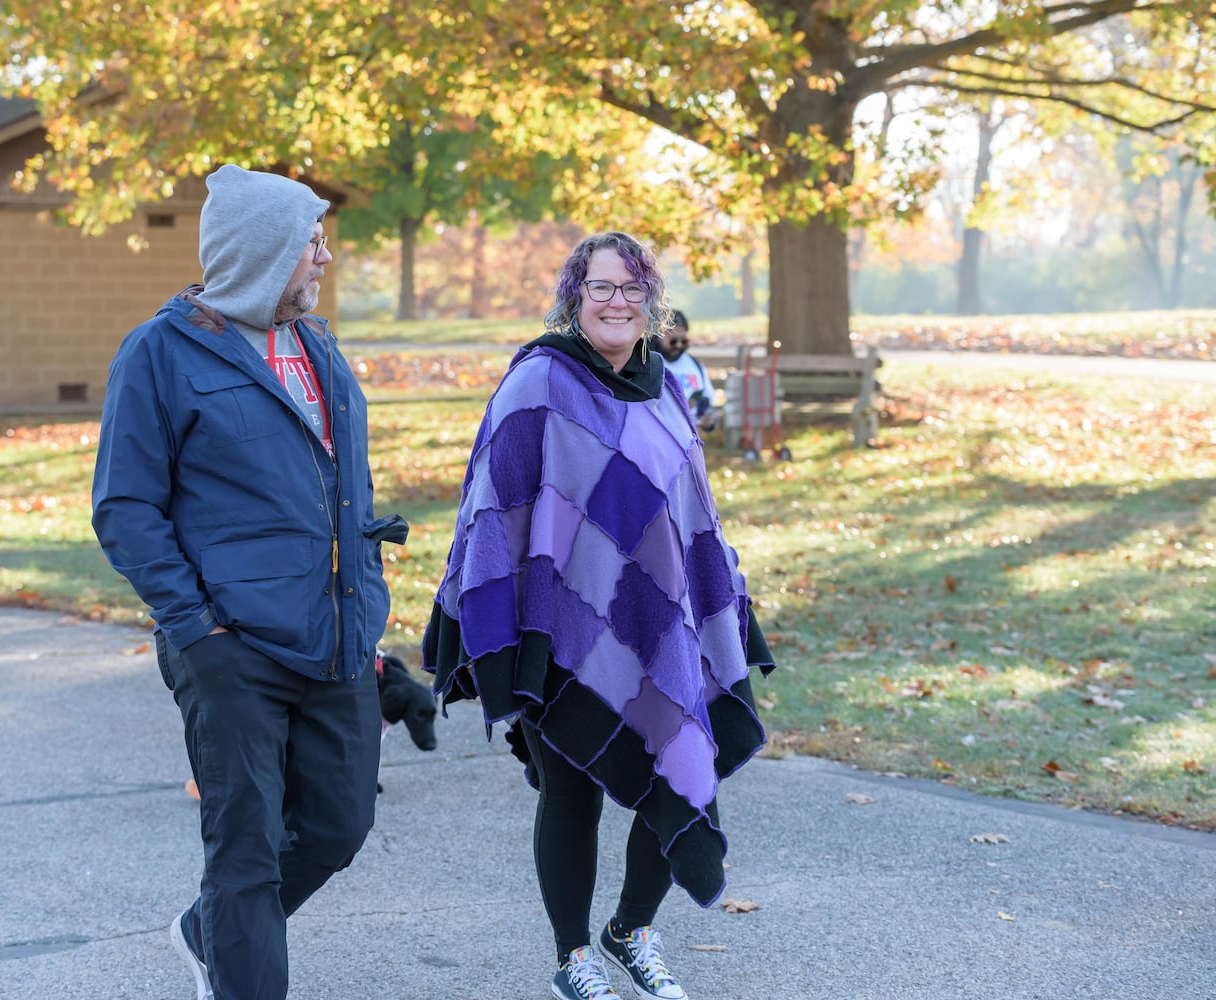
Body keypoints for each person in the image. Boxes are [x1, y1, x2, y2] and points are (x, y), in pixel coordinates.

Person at [423, 231, 774, 1000]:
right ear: (574, 298)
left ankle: (632, 931)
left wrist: (725, 605)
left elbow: (694, 516)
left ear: (652, 301)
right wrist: (490, 627)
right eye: (601, 288)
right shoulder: (537, 384)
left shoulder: (667, 389)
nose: (617, 302)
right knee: (571, 793)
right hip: (559, 629)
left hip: (658, 631)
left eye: (631, 288)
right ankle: (573, 956)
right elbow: (492, 509)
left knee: (676, 758)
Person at [91, 165, 406, 1000]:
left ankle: (208, 934)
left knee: (339, 827)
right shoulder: (159, 353)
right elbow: (125, 507)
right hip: (231, 649)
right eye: (311, 245)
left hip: (334, 638)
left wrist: (369, 621)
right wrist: (196, 628)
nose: (325, 259)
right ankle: (237, 962)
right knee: (246, 853)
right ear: (264, 252)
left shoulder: (319, 350)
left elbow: (349, 494)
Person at [658, 310, 716, 431]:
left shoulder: (694, 364)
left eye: (683, 341)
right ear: (658, 335)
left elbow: (706, 398)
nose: (679, 345)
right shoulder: (646, 362)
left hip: (689, 439)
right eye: (673, 340)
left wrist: (706, 417)